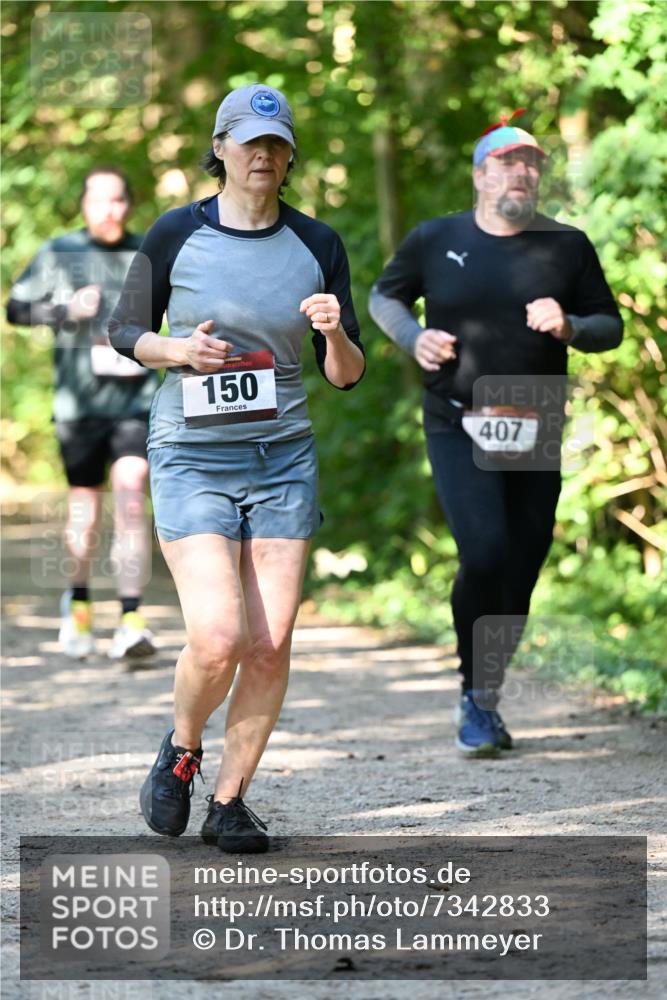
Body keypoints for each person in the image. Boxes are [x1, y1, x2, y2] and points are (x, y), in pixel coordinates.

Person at [108, 84, 365, 852]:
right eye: (248, 141)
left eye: (277, 143)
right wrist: (179, 350)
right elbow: (124, 330)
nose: (263, 154)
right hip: (190, 448)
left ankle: (230, 802)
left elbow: (346, 374)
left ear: (289, 158)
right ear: (219, 148)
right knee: (218, 636)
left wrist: (331, 333)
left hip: (282, 453)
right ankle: (183, 747)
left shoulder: (317, 245)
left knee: (270, 640)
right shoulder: (175, 233)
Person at [369, 111, 622, 757]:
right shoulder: (435, 238)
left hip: (533, 416)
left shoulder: (566, 245)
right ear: (480, 175)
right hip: (457, 416)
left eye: (531, 163)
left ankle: (487, 694)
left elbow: (608, 326)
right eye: (507, 163)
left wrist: (569, 325)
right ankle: (472, 696)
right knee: (482, 551)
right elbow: (383, 297)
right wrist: (412, 337)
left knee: (521, 564)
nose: (521, 173)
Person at [6, 167, 159, 660]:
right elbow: (15, 309)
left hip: (137, 400)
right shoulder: (59, 253)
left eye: (118, 201)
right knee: (86, 511)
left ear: (129, 205)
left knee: (132, 495)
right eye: (99, 201)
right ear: (84, 205)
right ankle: (79, 604)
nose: (109, 210)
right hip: (79, 404)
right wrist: (63, 309)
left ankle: (132, 618)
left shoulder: (149, 252)